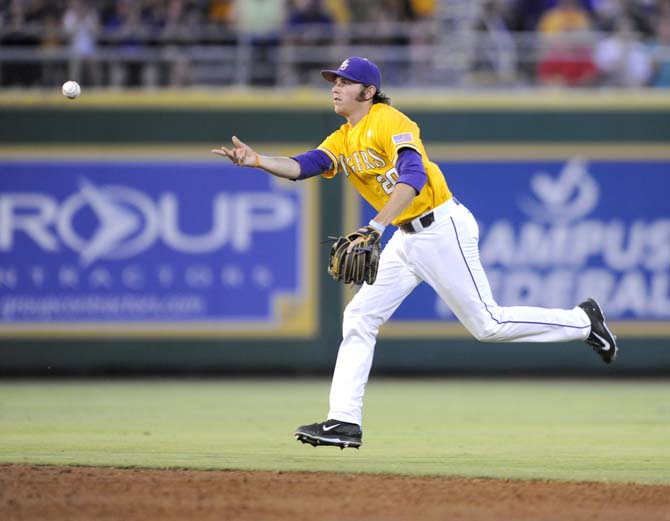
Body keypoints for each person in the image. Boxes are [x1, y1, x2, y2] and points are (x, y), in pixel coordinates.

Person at [211, 56, 619, 449]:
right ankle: (344, 422)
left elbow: (414, 174)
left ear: (369, 91)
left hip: (441, 228)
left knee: (487, 325)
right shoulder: (343, 136)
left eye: (345, 81)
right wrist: (258, 161)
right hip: (405, 238)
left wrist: (376, 225)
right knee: (359, 316)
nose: (336, 87)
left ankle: (583, 322)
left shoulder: (390, 121)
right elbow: (305, 165)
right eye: (334, 81)